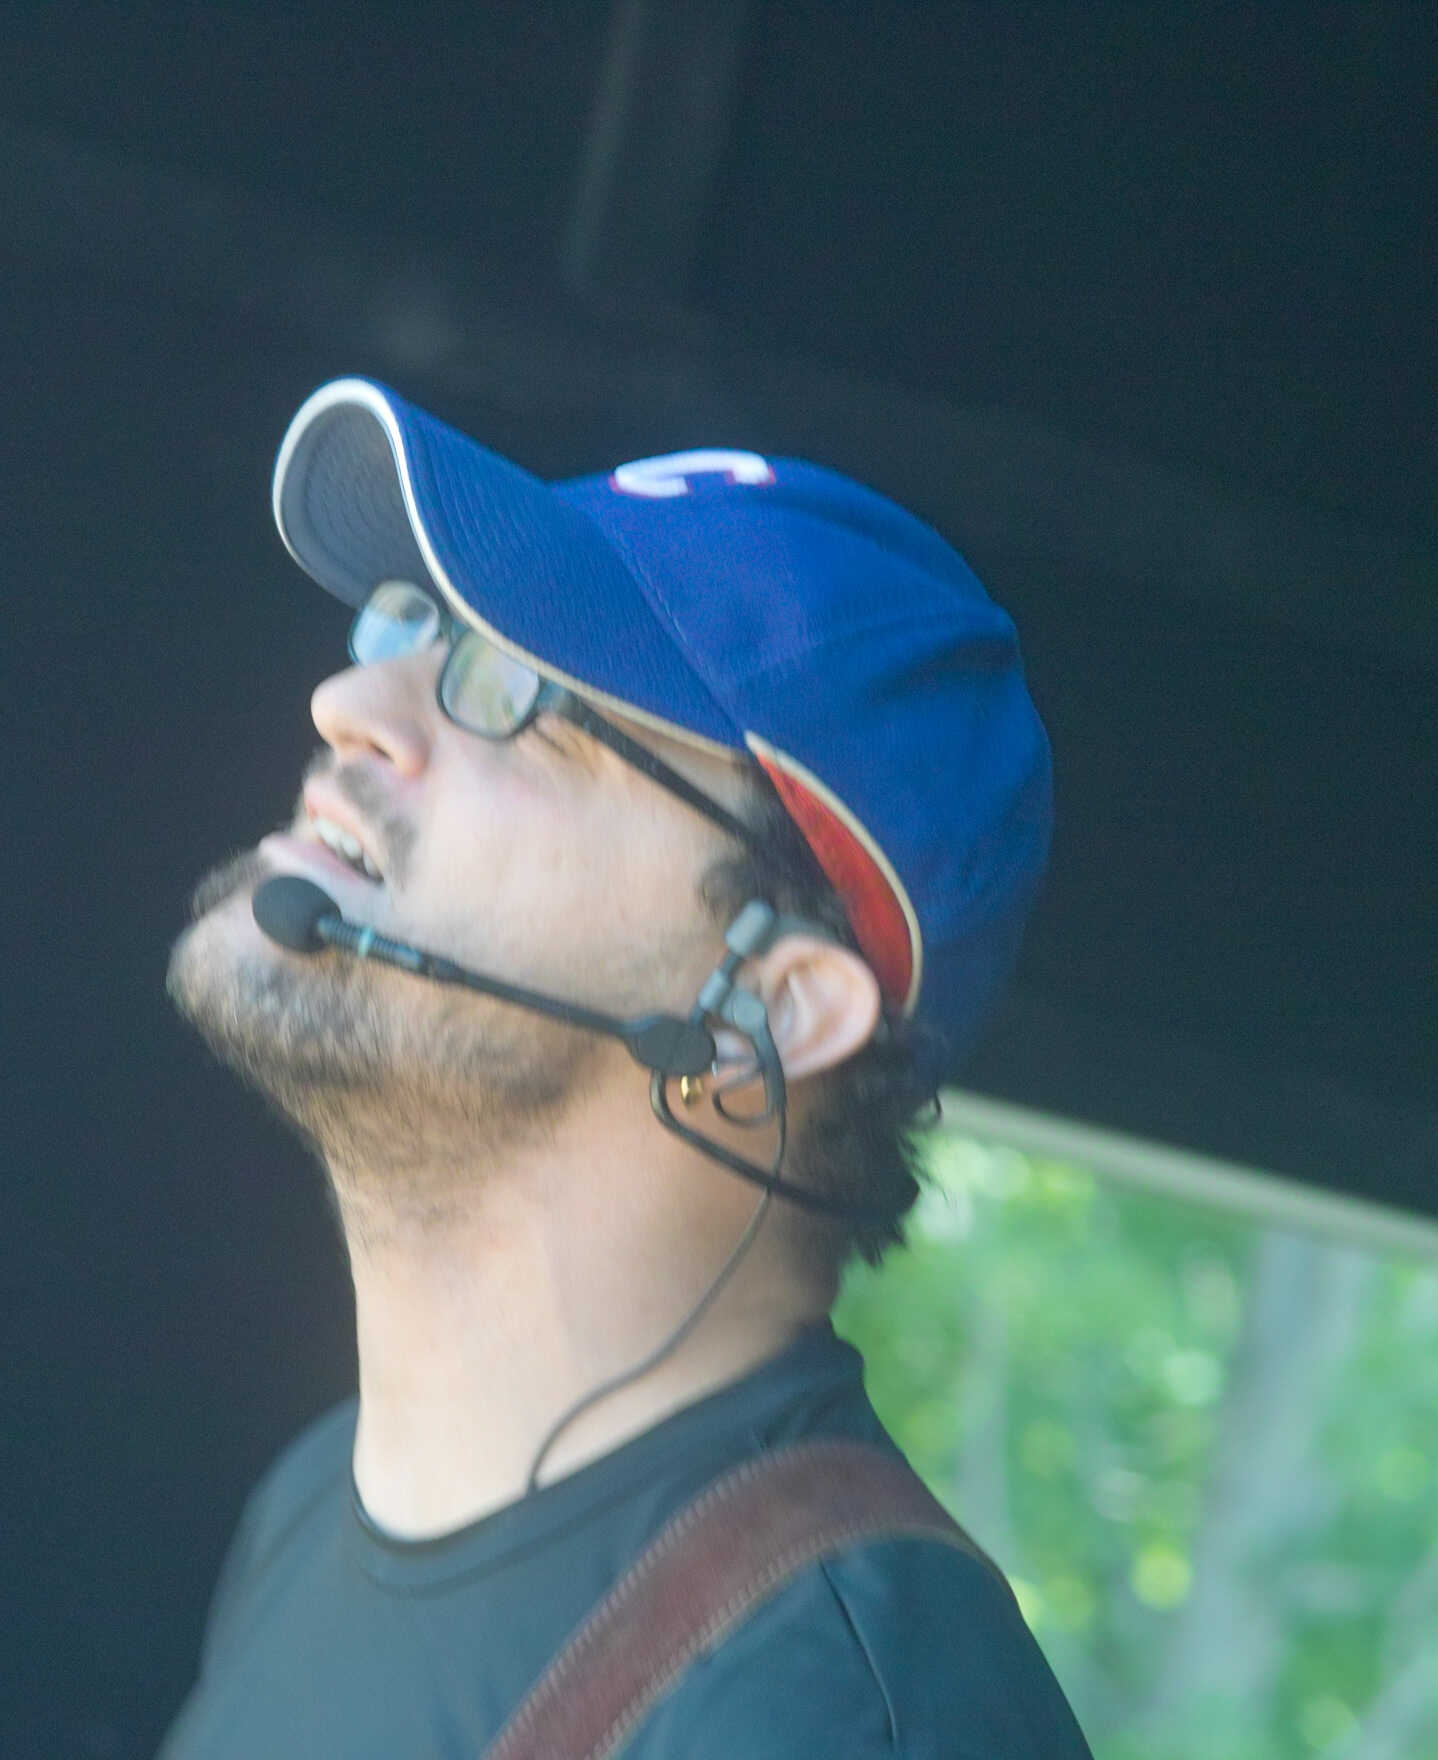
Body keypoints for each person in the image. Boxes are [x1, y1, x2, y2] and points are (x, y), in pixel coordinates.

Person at [161, 377, 1088, 1757]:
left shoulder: (832, 1714)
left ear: (767, 1007)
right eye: (414, 627)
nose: (349, 700)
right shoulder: (314, 1507)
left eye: (519, 696)